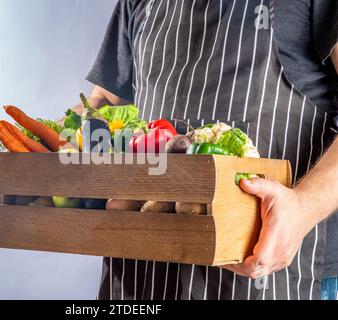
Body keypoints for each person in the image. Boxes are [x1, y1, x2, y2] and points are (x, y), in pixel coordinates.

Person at [70, 0, 338, 300]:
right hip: (141, 265)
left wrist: (302, 208)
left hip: (266, 272)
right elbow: (107, 99)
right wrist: (58, 144)